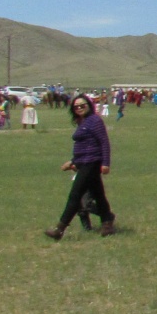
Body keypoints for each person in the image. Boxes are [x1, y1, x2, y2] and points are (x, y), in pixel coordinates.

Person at [44, 94, 116, 239]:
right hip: (83, 162)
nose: (79, 108)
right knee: (98, 194)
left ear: (89, 105)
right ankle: (107, 221)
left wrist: (106, 163)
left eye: (83, 105)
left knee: (75, 195)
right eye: (76, 106)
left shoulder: (95, 120)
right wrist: (72, 162)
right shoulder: (82, 122)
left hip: (92, 162)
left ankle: (60, 229)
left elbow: (104, 142)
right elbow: (83, 147)